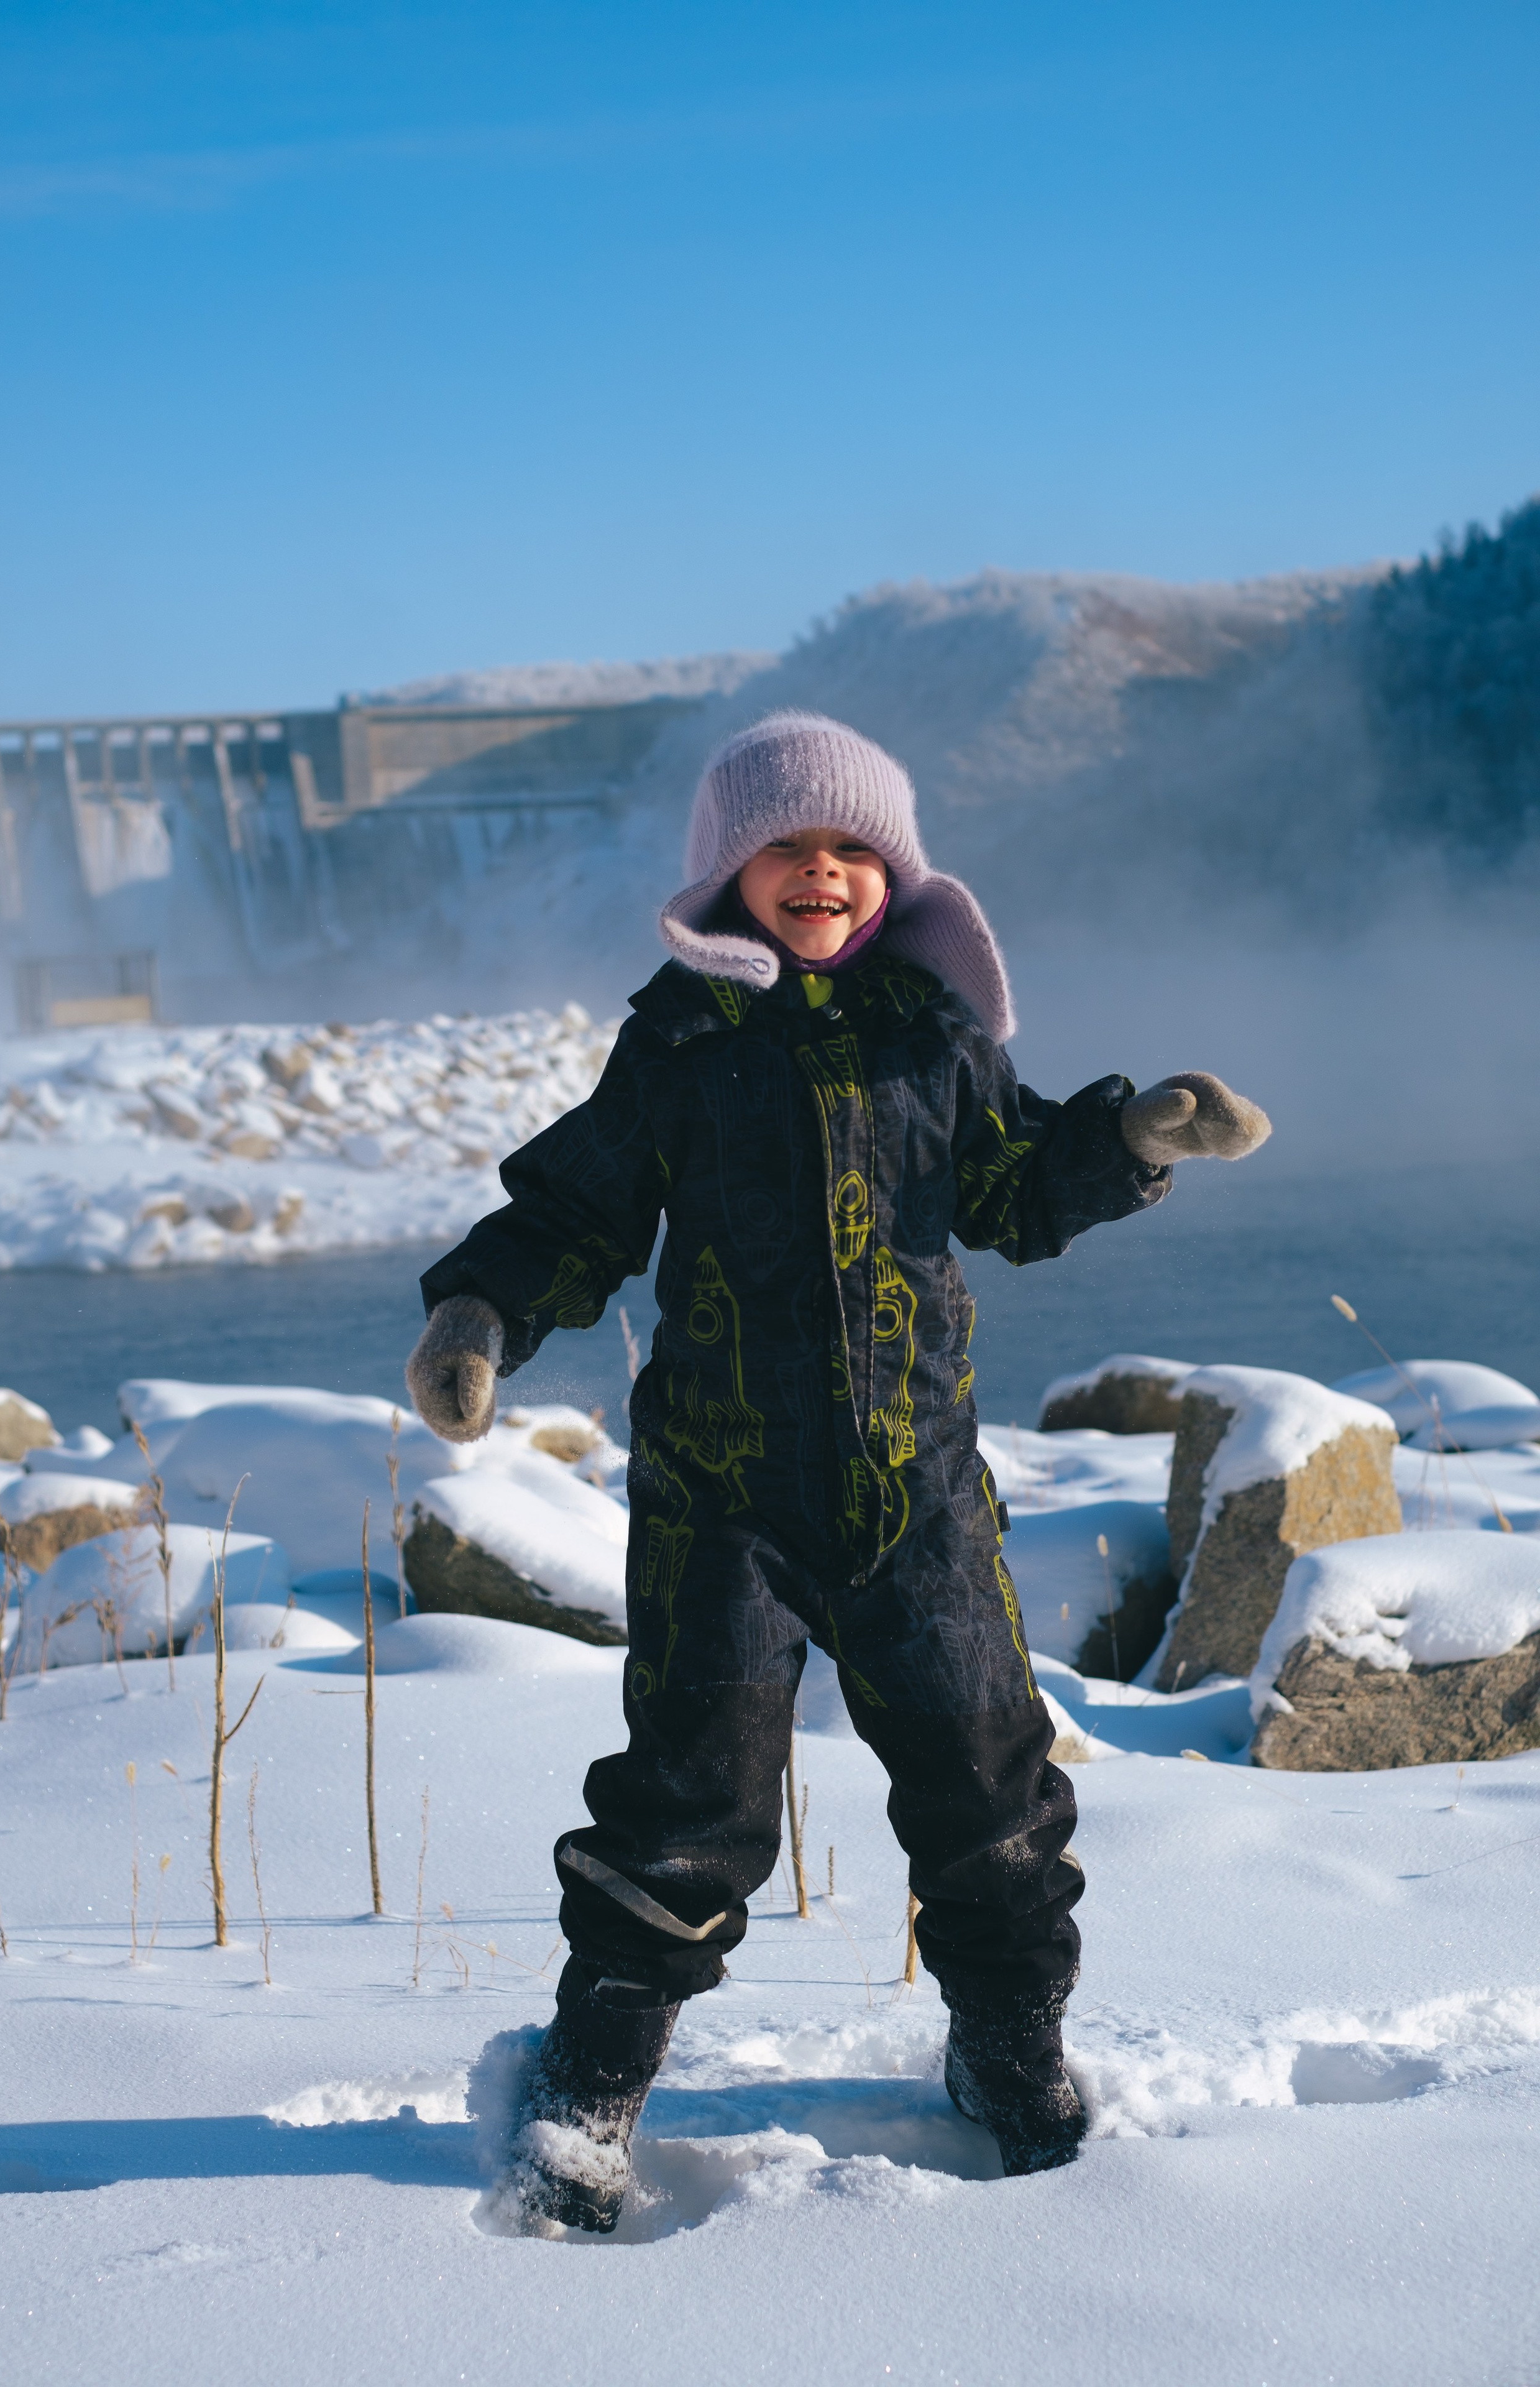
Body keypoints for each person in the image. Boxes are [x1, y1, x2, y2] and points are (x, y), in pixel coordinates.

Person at [406, 711, 1269, 2233]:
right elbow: (575, 1209)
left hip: (915, 1497)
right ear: (729, 872)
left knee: (992, 1798)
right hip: (720, 1506)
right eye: (788, 847)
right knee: (685, 1809)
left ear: (895, 874)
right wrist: (481, 1311)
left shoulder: (933, 1034)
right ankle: (590, 2091)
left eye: (851, 849)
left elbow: (1014, 1188)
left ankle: (1007, 2055)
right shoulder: (677, 1042)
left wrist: (1130, 1138)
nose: (821, 872)